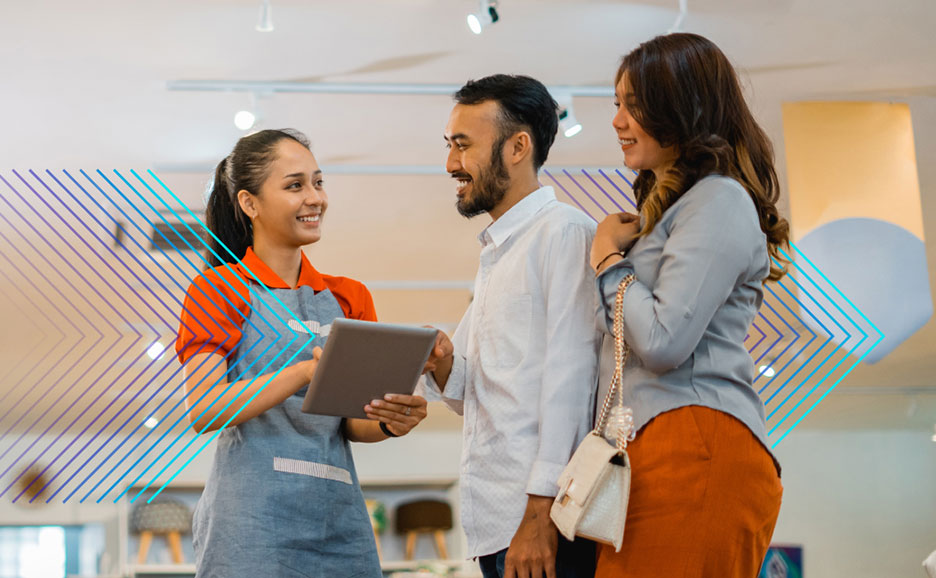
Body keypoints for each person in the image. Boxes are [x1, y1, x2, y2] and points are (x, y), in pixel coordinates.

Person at [174, 129, 432, 577]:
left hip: (340, 522)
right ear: (250, 203)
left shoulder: (350, 297)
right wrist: (306, 371)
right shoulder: (220, 289)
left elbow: (354, 423)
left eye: (318, 182)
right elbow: (205, 407)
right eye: (295, 186)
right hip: (250, 524)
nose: (315, 198)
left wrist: (391, 420)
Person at [589, 33, 788, 576]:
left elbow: (662, 341)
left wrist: (608, 262)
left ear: (682, 108)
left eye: (634, 105)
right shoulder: (678, 211)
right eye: (617, 105)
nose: (617, 120)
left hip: (695, 443)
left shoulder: (719, 199)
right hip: (655, 450)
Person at [422, 74, 600, 578]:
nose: (452, 164)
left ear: (518, 146)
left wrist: (541, 516)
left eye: (464, 146)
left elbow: (572, 383)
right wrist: (444, 362)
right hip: (496, 524)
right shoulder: (497, 253)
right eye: (449, 146)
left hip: (541, 526)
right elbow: (477, 395)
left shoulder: (564, 234)